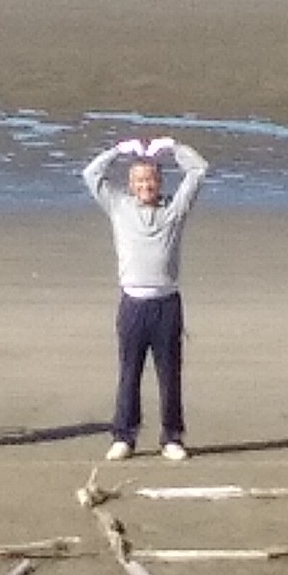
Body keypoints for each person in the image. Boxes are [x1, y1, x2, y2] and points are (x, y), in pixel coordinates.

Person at [83, 135, 209, 462]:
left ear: (159, 181)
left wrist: (174, 148)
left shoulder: (174, 209)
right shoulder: (119, 206)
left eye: (150, 179)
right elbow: (91, 175)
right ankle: (124, 436)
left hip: (166, 303)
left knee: (169, 374)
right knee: (129, 372)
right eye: (139, 180)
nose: (145, 185)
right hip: (132, 304)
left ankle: (172, 437)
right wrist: (116, 150)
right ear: (131, 184)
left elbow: (198, 171)